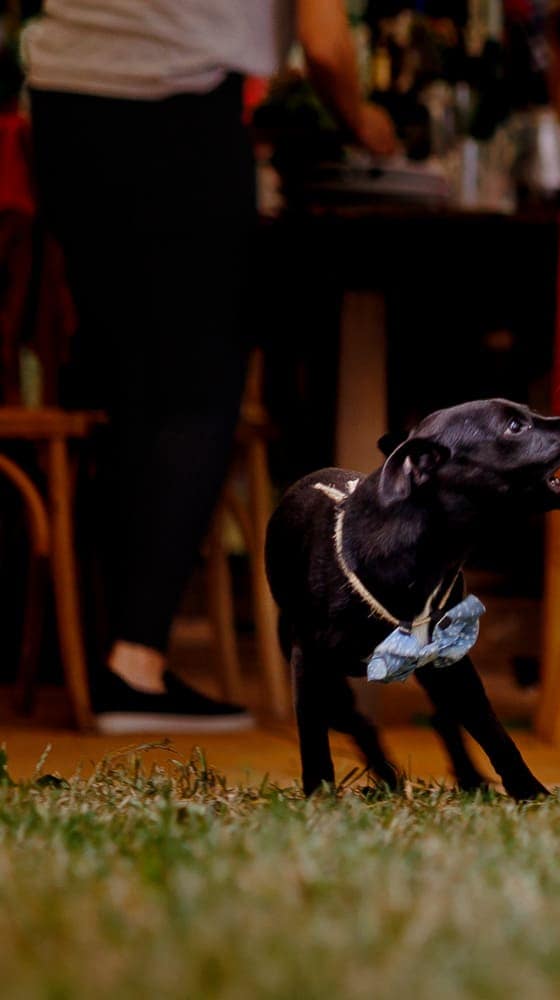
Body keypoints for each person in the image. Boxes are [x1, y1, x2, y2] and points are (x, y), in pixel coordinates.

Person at [23, 0, 396, 732]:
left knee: (131, 380)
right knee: (199, 388)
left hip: (62, 103)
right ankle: (133, 666)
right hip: (174, 111)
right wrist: (363, 123)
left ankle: (113, 657)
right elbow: (324, 45)